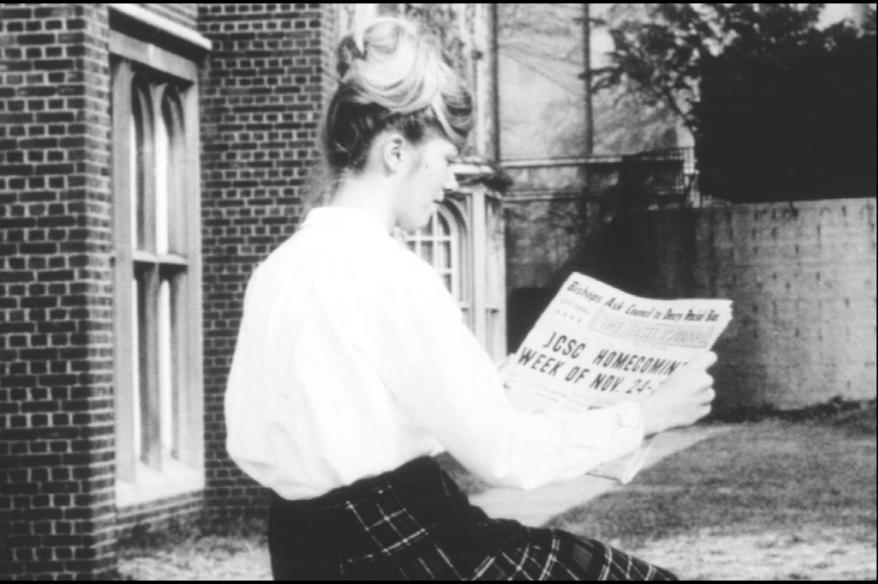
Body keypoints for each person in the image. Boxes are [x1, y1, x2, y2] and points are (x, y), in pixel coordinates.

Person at [225, 16, 716, 580]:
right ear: (394, 153)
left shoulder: (277, 270)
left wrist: (488, 394)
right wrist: (647, 414)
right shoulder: (392, 275)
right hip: (402, 545)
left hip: (304, 552)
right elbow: (508, 456)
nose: (452, 180)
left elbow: (280, 434)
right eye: (446, 158)